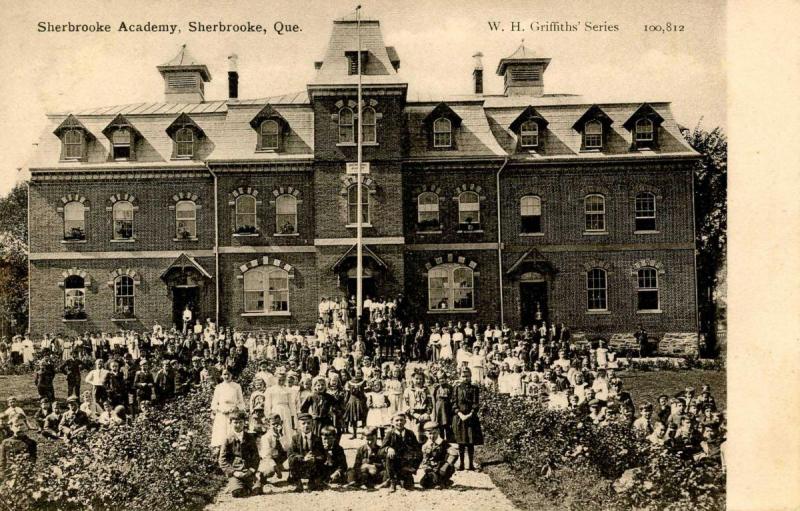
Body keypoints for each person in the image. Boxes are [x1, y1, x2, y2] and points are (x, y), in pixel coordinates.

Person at [219, 410, 261, 498]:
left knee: (258, 490)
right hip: (236, 472)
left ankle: (254, 482)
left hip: (248, 471)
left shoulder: (250, 437)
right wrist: (234, 472)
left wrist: (252, 470)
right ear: (230, 423)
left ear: (244, 423)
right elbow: (222, 460)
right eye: (235, 422)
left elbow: (256, 456)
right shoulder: (227, 439)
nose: (238, 425)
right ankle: (237, 485)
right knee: (237, 493)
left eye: (240, 422)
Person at [379, 412, 422, 492]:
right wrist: (388, 448)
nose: (399, 423)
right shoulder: (390, 434)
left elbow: (418, 450)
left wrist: (414, 467)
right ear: (392, 422)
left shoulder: (410, 434)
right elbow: (380, 451)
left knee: (408, 485)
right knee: (390, 455)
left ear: (405, 421)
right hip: (393, 465)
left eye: (401, 420)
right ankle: (392, 482)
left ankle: (401, 481)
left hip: (406, 465)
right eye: (397, 420)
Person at [451, 367, 483, 471]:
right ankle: (461, 464)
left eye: (467, 376)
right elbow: (454, 403)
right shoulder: (456, 388)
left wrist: (470, 414)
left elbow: (475, 403)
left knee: (470, 442)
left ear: (470, 376)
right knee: (461, 442)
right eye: (463, 376)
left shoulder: (474, 388)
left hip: (471, 418)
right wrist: (459, 413)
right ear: (460, 376)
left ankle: (470, 464)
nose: (465, 378)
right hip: (459, 417)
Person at [287, 412, 326, 493]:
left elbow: (323, 455)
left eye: (309, 423)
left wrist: (314, 458)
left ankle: (312, 482)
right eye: (303, 423)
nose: (306, 425)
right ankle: (298, 483)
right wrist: (303, 458)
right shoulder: (295, 438)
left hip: (312, 466)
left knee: (319, 464)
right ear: (299, 426)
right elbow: (290, 454)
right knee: (292, 460)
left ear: (312, 424)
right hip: (300, 466)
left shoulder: (317, 439)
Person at [210, 369, 246, 449]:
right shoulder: (219, 387)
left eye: (228, 374)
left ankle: (234, 452)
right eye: (224, 374)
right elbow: (214, 404)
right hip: (222, 414)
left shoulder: (236, 386)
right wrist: (221, 409)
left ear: (231, 374)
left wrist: (236, 408)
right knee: (221, 435)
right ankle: (220, 454)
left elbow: (241, 402)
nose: (226, 376)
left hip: (233, 414)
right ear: (222, 376)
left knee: (232, 434)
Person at [419, 421, 457, 489]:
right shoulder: (425, 445)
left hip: (442, 467)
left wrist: (446, 465)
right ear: (425, 434)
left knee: (443, 473)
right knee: (423, 483)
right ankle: (443, 482)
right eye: (429, 434)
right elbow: (425, 459)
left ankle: (443, 481)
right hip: (432, 468)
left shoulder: (443, 443)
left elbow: (454, 453)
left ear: (438, 432)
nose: (432, 436)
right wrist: (426, 467)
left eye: (434, 433)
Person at [257, 414, 288, 493]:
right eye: (273, 424)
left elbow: (287, 449)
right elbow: (267, 455)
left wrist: (281, 436)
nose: (276, 426)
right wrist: (276, 469)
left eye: (278, 424)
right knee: (269, 470)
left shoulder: (282, 435)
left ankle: (292, 477)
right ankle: (263, 478)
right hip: (270, 460)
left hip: (281, 459)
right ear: (269, 425)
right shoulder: (266, 437)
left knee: (292, 460)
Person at [343, 369, 368, 439]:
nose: (358, 375)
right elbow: (347, 394)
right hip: (352, 400)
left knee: (363, 417)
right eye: (357, 373)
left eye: (360, 373)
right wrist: (346, 402)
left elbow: (367, 392)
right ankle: (354, 434)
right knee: (353, 418)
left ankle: (364, 434)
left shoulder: (364, 382)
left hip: (361, 400)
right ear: (354, 374)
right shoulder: (349, 382)